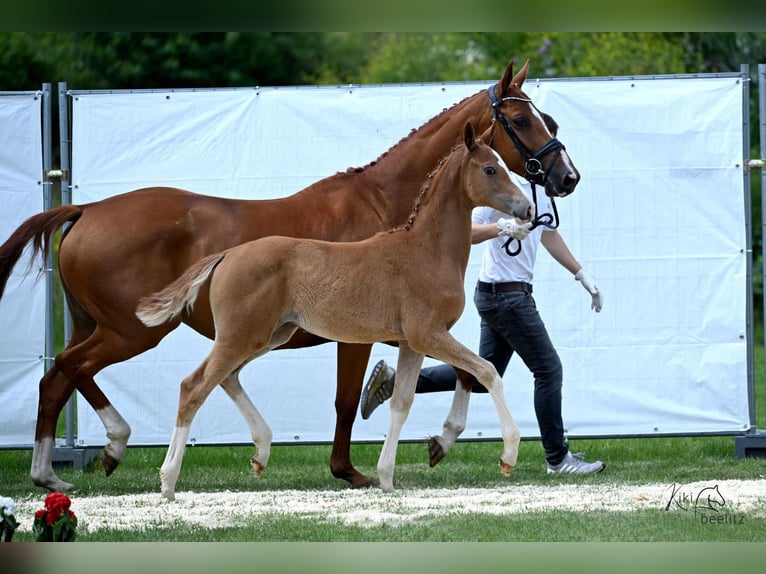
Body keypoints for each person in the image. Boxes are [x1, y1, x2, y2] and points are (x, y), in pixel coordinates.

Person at [359, 171, 605, 474]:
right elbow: (465, 231)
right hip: (507, 295)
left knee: (481, 373)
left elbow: (547, 233)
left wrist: (580, 273)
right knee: (548, 370)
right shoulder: (508, 191)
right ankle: (557, 458)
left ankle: (393, 380)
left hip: (501, 293)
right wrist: (501, 228)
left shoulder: (541, 192)